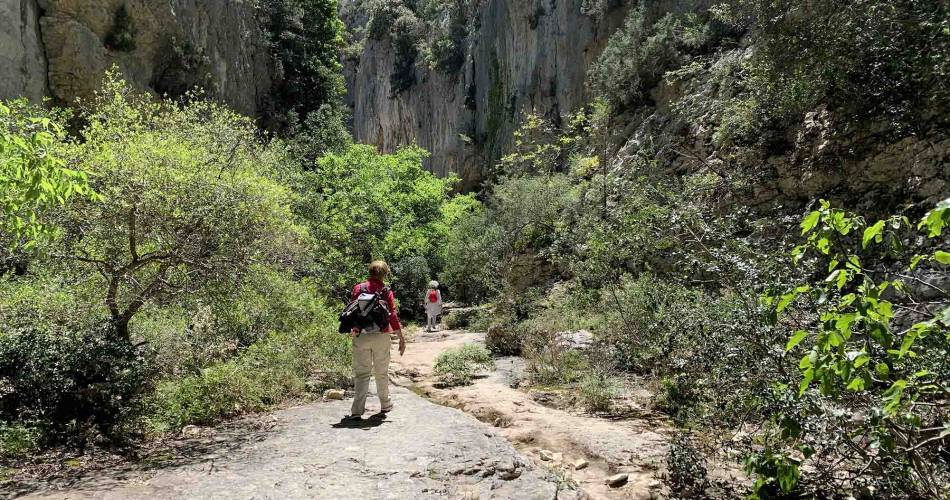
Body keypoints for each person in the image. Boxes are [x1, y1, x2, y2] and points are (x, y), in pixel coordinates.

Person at [346, 260, 406, 419]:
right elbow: (392, 315)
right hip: (381, 335)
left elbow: (352, 310)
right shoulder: (386, 291)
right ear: (384, 274)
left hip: (361, 336)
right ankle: (385, 404)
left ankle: (357, 411)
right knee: (381, 372)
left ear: (370, 272)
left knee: (362, 374)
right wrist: (401, 338)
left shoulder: (358, 288)